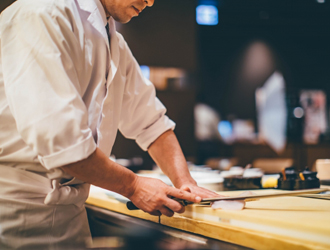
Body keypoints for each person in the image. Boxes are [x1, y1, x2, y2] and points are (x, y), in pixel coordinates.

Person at [0, 0, 218, 248]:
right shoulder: (40, 13)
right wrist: (134, 186)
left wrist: (186, 183)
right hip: (17, 215)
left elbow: (152, 123)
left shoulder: (112, 39)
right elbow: (62, 144)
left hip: (70, 217)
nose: (150, 1)